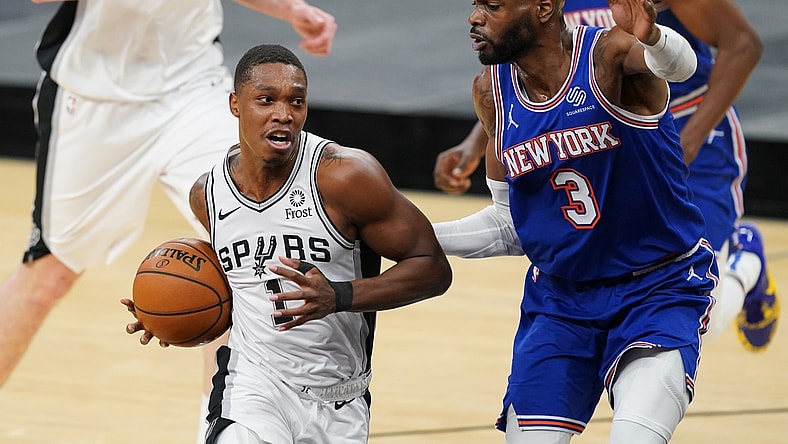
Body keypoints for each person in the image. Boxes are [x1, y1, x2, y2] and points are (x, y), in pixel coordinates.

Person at [0, 1, 336, 443]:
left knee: (246, 257)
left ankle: (224, 434)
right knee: (49, 275)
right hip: (95, 95)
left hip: (192, 88)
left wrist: (291, 9)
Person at [122, 43, 452, 443]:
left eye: (296, 101)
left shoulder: (345, 177)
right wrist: (168, 309)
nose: (284, 114)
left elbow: (432, 267)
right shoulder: (207, 194)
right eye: (266, 100)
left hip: (340, 399)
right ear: (235, 105)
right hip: (252, 386)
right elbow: (242, 285)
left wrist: (339, 296)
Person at [433, 0, 718, 442]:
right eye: (475, 5)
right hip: (560, 301)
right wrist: (415, 236)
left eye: (492, 6)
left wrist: (653, 36)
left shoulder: (608, 56)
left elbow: (680, 68)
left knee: (634, 436)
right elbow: (512, 227)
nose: (474, 17)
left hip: (657, 288)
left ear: (543, 9)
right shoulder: (491, 92)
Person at [433, 0, 779, 351]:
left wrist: (686, 143)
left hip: (690, 128)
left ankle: (746, 262)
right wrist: (476, 143)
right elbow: (537, 67)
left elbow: (742, 45)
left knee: (701, 312)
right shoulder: (538, 7)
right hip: (608, 139)